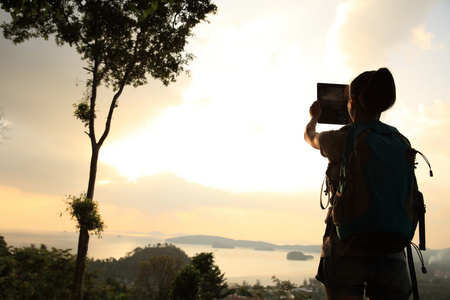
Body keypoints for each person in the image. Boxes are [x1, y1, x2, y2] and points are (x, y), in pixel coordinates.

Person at [304, 68, 412, 300]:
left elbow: (310, 136)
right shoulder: (400, 141)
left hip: (346, 248)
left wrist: (314, 116)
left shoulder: (343, 137)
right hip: (393, 251)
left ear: (351, 100)